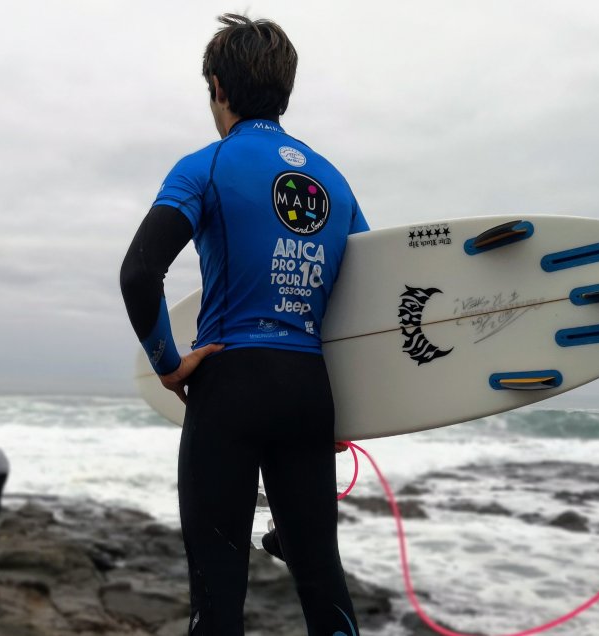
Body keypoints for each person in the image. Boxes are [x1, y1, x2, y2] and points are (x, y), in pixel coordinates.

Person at [119, 13, 369, 635]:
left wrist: (168, 364)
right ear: (284, 89)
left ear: (217, 87)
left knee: (218, 591)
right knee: (321, 577)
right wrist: (356, 410)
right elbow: (364, 304)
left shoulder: (204, 167)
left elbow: (139, 274)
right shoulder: (334, 182)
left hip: (229, 386)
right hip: (311, 391)